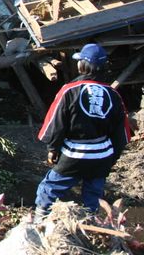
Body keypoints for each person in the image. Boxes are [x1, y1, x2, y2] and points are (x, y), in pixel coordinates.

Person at [34, 43, 131, 221]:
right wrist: (112, 158)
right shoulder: (113, 94)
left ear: (83, 65)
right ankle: (90, 223)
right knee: (92, 194)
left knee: (49, 189)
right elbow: (121, 133)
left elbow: (56, 123)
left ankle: (38, 222)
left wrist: (52, 149)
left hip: (74, 155)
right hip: (102, 156)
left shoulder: (69, 90)